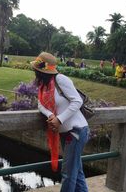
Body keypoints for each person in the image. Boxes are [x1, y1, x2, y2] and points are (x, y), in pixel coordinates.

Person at [31, 52, 90, 192]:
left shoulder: (61, 80)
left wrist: (59, 119)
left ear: (41, 71)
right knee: (77, 172)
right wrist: (51, 115)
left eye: (35, 69)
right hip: (65, 132)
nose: (34, 72)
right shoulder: (44, 85)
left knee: (68, 173)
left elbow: (77, 101)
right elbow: (40, 105)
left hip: (76, 131)